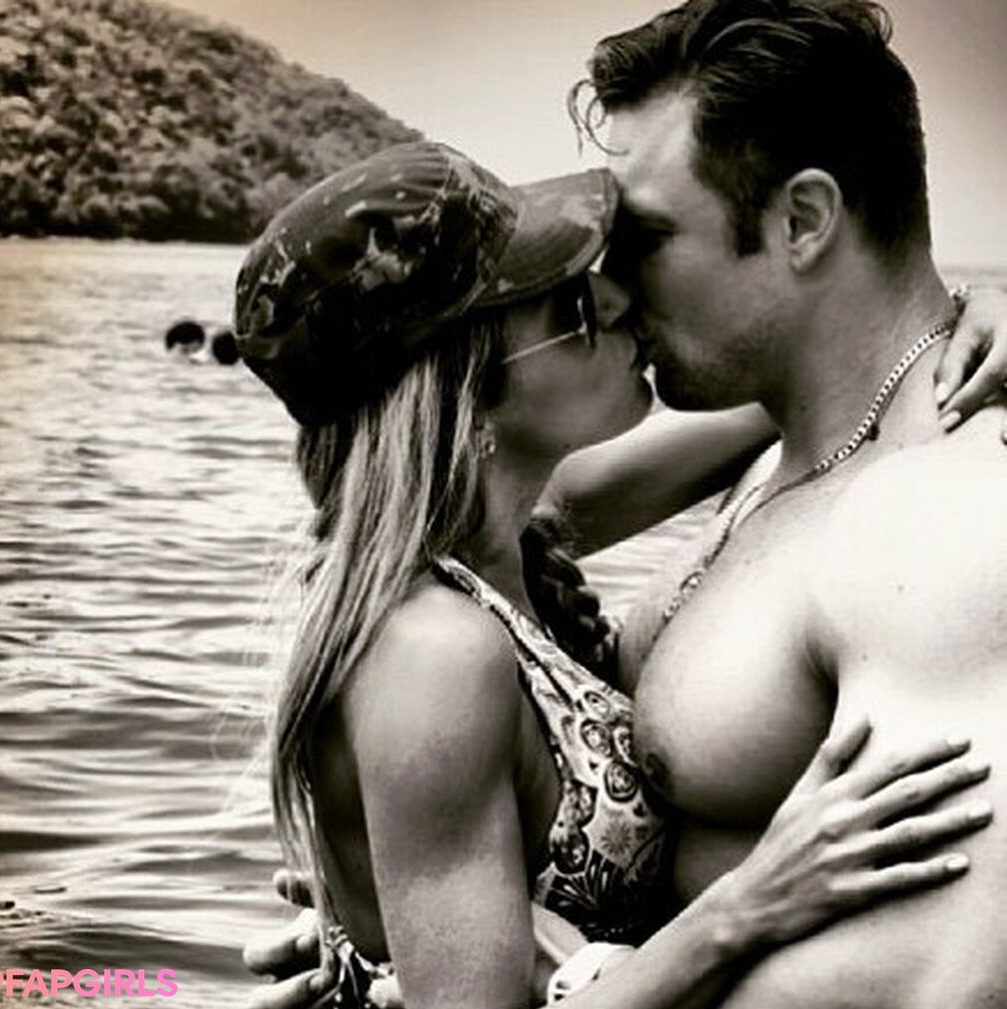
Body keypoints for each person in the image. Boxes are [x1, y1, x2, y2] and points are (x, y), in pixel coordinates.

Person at [231, 139, 1002, 1009]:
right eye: (571, 303)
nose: (618, 297)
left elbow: (830, 385)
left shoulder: (508, 539)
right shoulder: (433, 648)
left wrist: (963, 325)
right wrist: (749, 904)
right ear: (467, 383)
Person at [572, 1, 1006, 1005]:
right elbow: (501, 503)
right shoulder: (788, 450)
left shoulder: (943, 519)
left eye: (643, 239)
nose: (610, 289)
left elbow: (945, 980)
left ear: (803, 220)